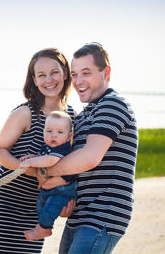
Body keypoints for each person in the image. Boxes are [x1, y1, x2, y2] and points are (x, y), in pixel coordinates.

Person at [44, 42, 138, 254]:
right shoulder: (85, 115)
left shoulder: (113, 104)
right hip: (81, 215)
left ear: (106, 72)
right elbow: (76, 168)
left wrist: (45, 171)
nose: (78, 81)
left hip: (104, 213)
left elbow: (89, 158)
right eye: (74, 74)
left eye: (86, 73)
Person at [0, 48, 75, 254]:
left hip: (38, 209)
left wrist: (66, 199)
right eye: (41, 75)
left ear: (65, 74)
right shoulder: (25, 113)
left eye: (54, 72)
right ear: (34, 80)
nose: (48, 79)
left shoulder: (72, 117)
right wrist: (28, 168)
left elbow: (70, 164)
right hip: (6, 205)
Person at [20, 111, 76, 241]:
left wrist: (31, 162)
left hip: (63, 191)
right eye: (49, 131)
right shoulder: (47, 146)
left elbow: (50, 161)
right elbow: (42, 158)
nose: (53, 135)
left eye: (59, 132)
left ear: (69, 136)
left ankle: (44, 229)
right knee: (40, 207)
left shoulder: (64, 148)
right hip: (49, 190)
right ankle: (44, 225)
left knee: (50, 209)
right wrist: (33, 157)